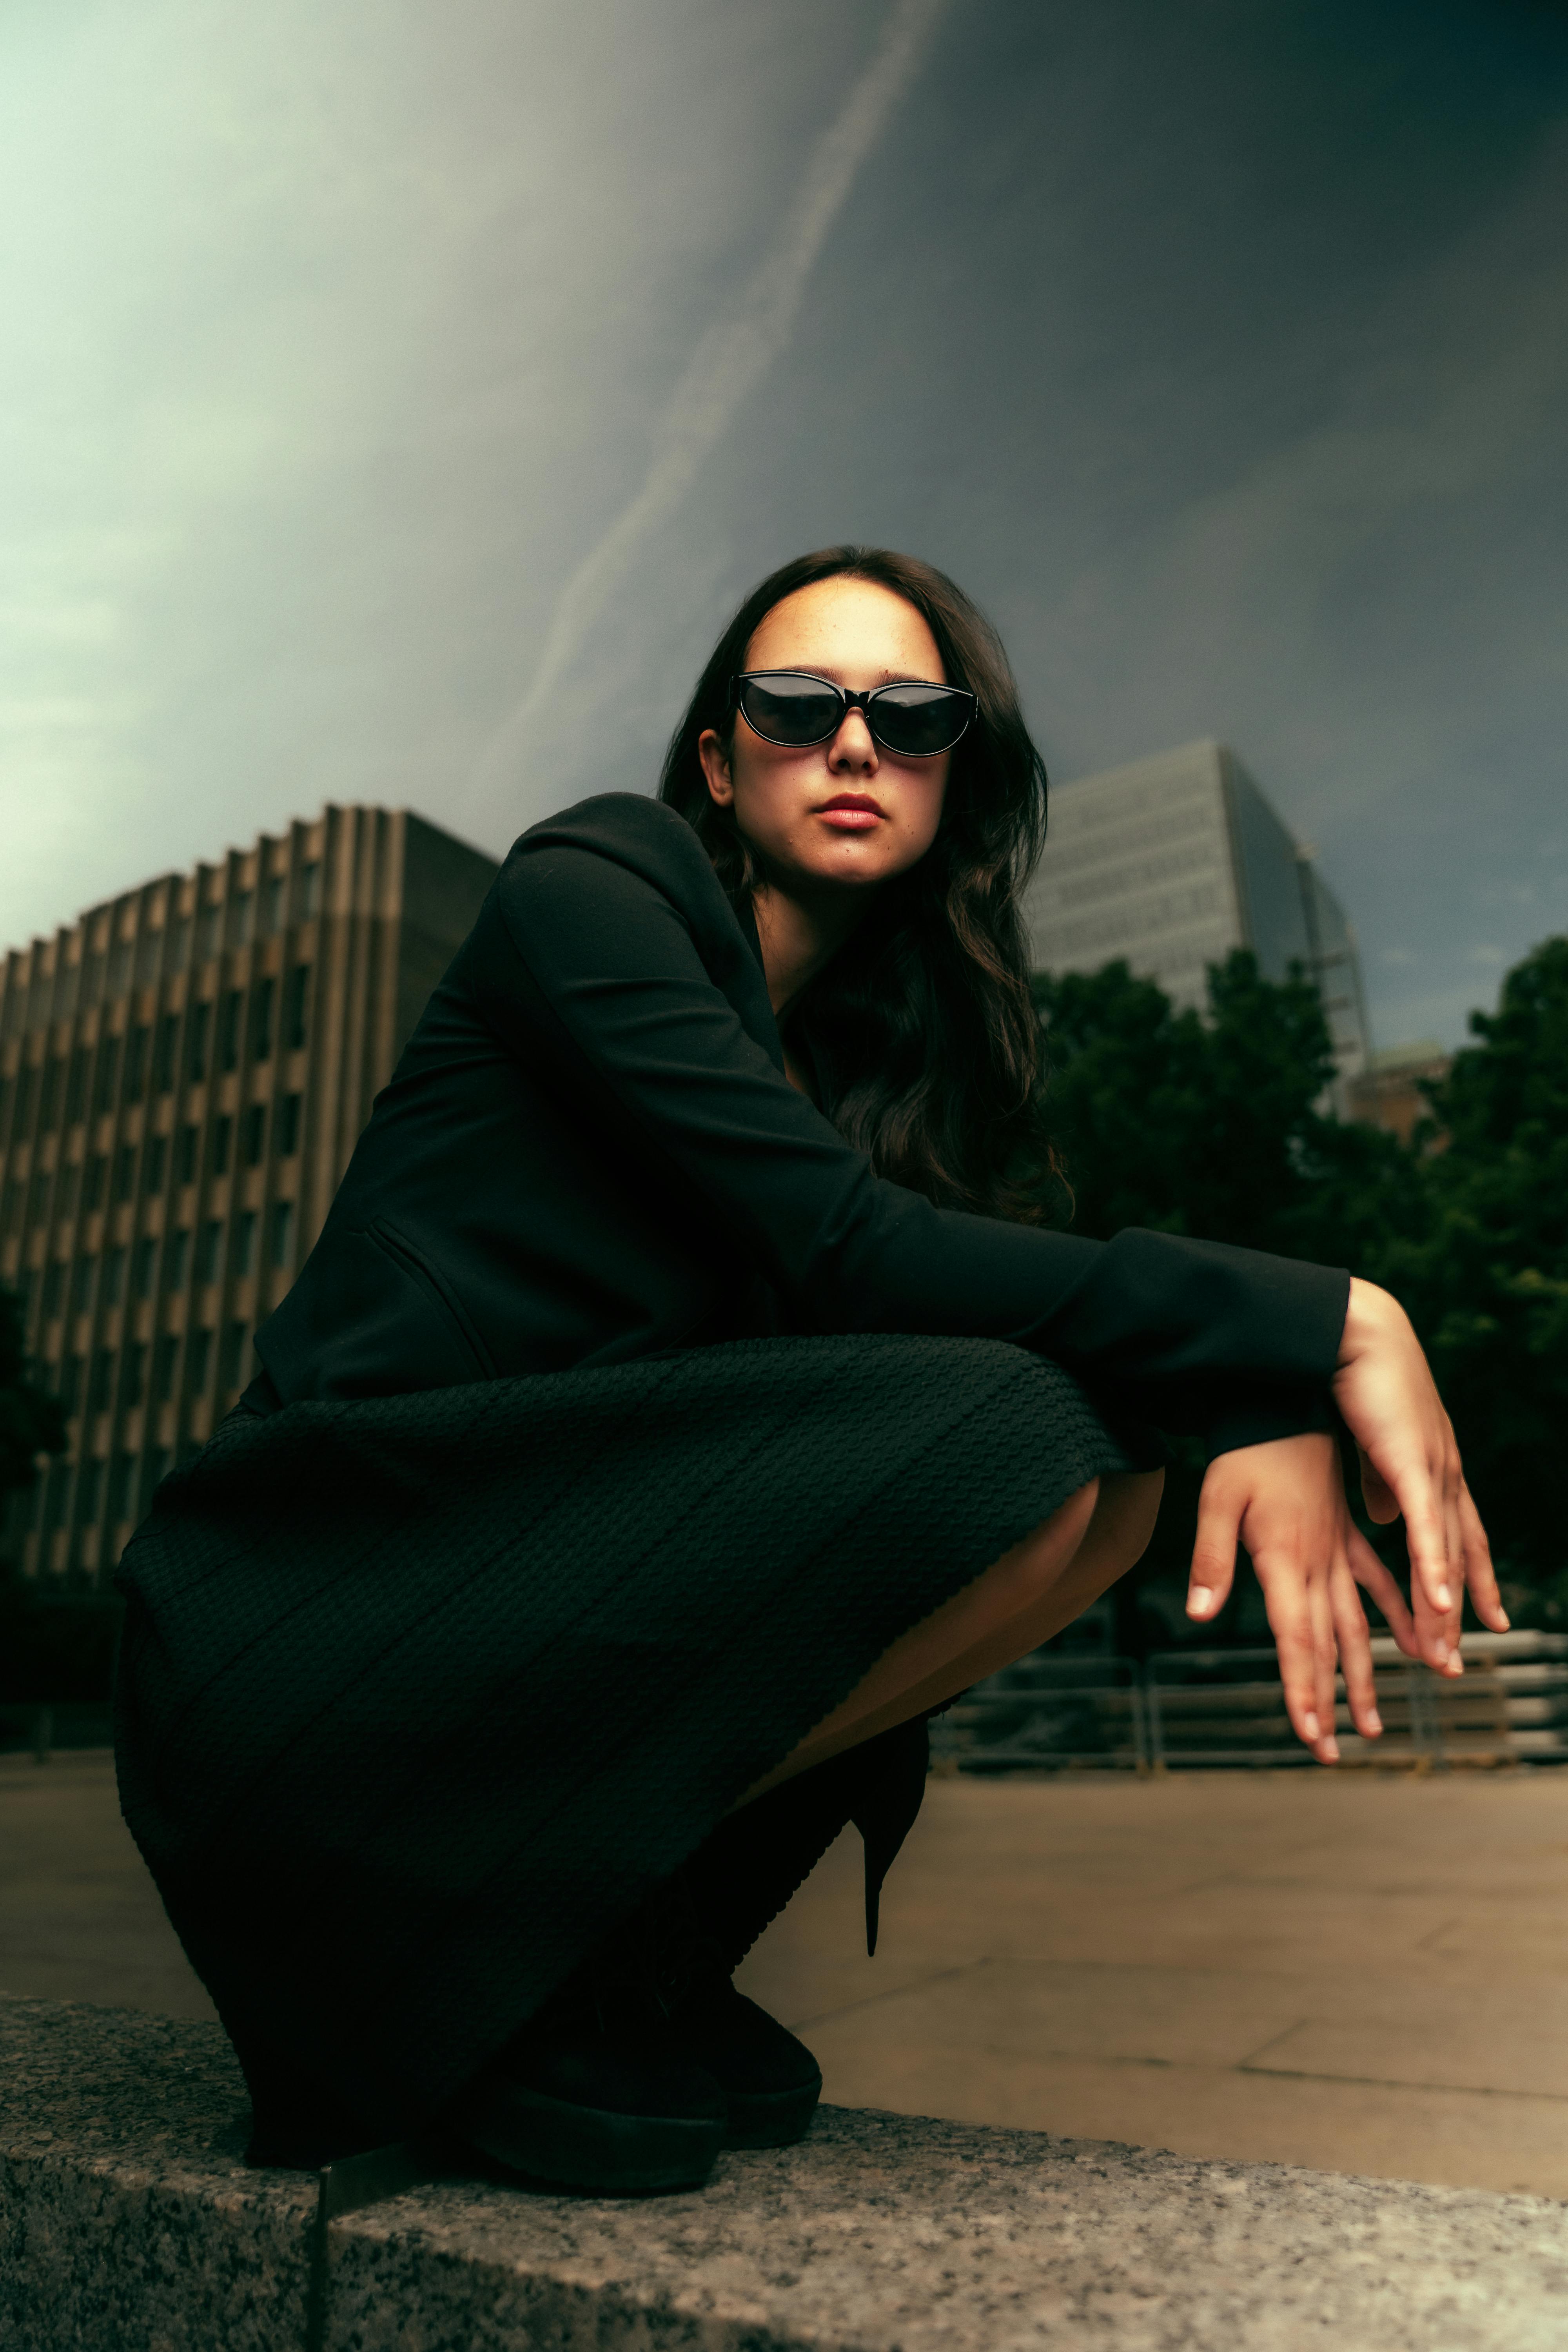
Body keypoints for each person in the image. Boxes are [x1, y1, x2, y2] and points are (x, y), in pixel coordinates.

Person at [113, 546, 1503, 2200]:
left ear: (951, 773)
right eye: (797, 704)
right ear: (718, 755)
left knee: (1099, 1462)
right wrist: (1324, 1324)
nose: (854, 743)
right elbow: (854, 1254)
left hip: (505, 1596)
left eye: (910, 716)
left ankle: (599, 1953)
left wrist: (1243, 1402)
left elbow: (981, 1301)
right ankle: (483, 1951)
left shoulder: (852, 1084)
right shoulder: (597, 882)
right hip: (315, 1609)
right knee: (1023, 1436)